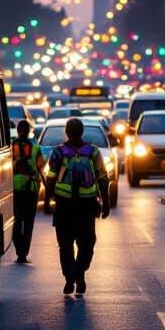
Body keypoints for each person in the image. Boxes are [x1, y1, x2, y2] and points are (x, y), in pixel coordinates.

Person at [43, 118, 110, 297]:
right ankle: (78, 273)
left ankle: (71, 276)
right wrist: (106, 204)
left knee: (65, 245)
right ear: (82, 132)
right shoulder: (93, 152)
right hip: (86, 205)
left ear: (67, 132)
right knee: (87, 243)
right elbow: (103, 179)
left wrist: (48, 200)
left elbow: (50, 178)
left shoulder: (58, 152)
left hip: (64, 205)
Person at [11, 119, 45, 264]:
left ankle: (19, 249)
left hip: (13, 189)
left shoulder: (10, 147)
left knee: (16, 220)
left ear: (18, 131)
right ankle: (23, 253)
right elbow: (41, 166)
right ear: (30, 131)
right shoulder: (35, 148)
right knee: (28, 222)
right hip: (30, 189)